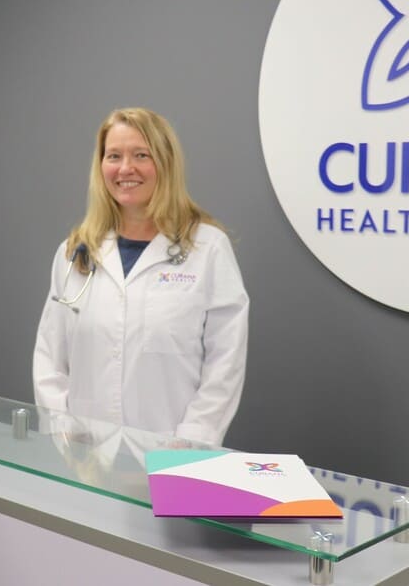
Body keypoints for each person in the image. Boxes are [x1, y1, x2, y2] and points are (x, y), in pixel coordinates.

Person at [33, 107, 249, 447]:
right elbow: (49, 358)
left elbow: (225, 363)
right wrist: (63, 428)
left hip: (173, 452)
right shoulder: (75, 252)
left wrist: (192, 440)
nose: (125, 168)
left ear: (164, 163)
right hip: (86, 454)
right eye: (113, 156)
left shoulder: (208, 249)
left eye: (141, 155)